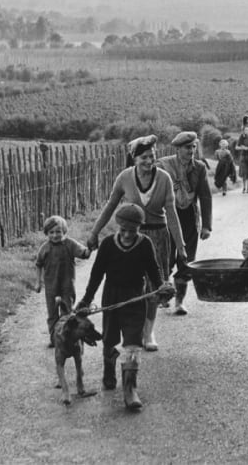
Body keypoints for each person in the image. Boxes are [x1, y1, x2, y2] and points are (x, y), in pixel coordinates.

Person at [86, 135, 186, 352]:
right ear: (134, 159)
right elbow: (110, 207)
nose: (149, 161)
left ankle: (148, 332)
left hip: (158, 237)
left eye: (152, 156)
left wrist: (181, 246)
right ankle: (132, 328)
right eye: (144, 158)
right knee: (132, 284)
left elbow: (171, 213)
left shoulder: (164, 179)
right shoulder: (124, 178)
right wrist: (94, 233)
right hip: (132, 237)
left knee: (153, 287)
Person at [77, 205, 174, 411]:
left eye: (133, 230)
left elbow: (153, 271)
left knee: (133, 341)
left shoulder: (145, 244)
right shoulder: (107, 245)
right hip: (112, 296)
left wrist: (161, 287)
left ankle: (130, 388)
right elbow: (96, 276)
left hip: (136, 298)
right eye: (124, 230)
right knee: (110, 338)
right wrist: (85, 301)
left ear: (140, 228)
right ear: (118, 226)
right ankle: (109, 370)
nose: (128, 234)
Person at [157, 131, 212, 316]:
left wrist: (206, 225)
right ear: (178, 149)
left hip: (188, 216)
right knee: (165, 257)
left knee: (187, 259)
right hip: (166, 217)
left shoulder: (199, 168)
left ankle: (179, 301)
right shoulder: (164, 165)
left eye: (194, 147)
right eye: (187, 147)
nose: (191, 150)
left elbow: (205, 196)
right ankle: (163, 294)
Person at [35, 215, 90, 347]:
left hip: (67, 285)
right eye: (51, 232)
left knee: (67, 312)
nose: (55, 235)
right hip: (51, 287)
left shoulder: (70, 244)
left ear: (64, 232)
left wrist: (91, 247)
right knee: (52, 314)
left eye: (58, 232)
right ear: (47, 233)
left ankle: (67, 336)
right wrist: (38, 282)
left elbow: (84, 254)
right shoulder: (45, 248)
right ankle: (54, 338)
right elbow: (38, 264)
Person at [236, 124, 248, 193]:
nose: (246, 131)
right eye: (245, 130)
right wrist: (242, 147)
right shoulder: (241, 137)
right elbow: (237, 147)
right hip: (243, 156)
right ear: (243, 131)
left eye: (247, 130)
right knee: (244, 173)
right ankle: (244, 187)